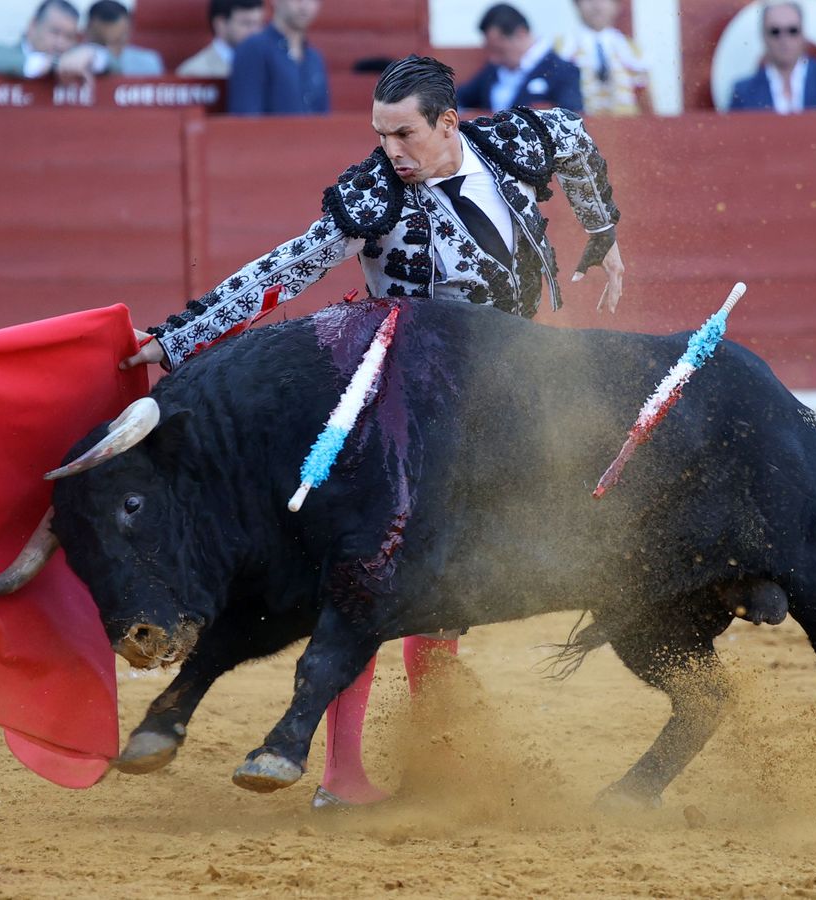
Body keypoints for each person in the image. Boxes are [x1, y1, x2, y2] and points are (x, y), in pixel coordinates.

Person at [121, 56, 626, 806]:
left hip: (500, 402)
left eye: (404, 133)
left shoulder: (516, 142)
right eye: (379, 134)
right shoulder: (375, 194)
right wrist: (177, 338)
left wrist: (603, 234)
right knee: (368, 580)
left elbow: (576, 139)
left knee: (447, 586)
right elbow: (284, 271)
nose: (390, 150)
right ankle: (343, 776)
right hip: (401, 413)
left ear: (449, 122)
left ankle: (433, 756)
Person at [456, 3, 582, 112]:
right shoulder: (494, 69)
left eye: (500, 50)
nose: (493, 58)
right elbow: (459, 98)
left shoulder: (563, 72)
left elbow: (571, 118)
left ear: (521, 34)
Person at [728, 0, 816, 112]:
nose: (784, 40)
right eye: (775, 32)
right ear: (763, 36)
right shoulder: (743, 91)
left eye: (792, 31)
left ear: (803, 34)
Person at [0, 0, 108, 84]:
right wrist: (38, 64)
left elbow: (116, 62)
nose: (60, 43)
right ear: (33, 26)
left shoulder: (76, 55)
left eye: (69, 36)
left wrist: (91, 54)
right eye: (55, 32)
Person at [226, 0, 326, 115]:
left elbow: (323, 120)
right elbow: (245, 119)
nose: (305, 5)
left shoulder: (315, 58)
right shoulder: (253, 49)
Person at [555, 0, 645, 115]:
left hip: (625, 128)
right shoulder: (560, 47)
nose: (597, 6)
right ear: (577, 5)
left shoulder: (632, 49)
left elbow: (645, 100)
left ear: (616, 5)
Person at [176, 0, 264, 79]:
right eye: (246, 23)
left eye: (258, 23)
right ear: (220, 24)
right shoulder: (194, 73)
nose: (255, 31)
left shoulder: (267, 64)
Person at [86, 0, 163, 77]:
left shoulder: (148, 61)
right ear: (88, 31)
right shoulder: (77, 59)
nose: (110, 51)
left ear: (129, 30)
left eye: (117, 42)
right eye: (102, 45)